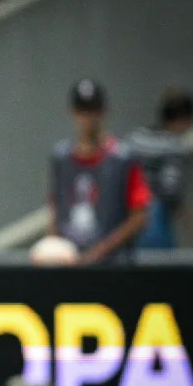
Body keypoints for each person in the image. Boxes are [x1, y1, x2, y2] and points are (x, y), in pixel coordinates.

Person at [48, 79, 151, 264]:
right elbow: (55, 207)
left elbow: (139, 217)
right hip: (71, 261)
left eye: (93, 110)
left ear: (104, 111)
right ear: (73, 113)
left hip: (113, 266)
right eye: (82, 110)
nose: (88, 117)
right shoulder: (62, 159)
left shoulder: (123, 159)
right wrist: (55, 247)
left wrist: (99, 251)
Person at [129, 87, 193, 249]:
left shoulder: (137, 137)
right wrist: (189, 221)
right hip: (155, 217)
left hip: (129, 214)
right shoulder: (174, 147)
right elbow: (170, 189)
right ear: (183, 119)